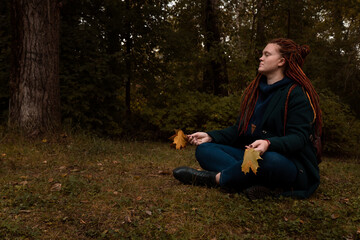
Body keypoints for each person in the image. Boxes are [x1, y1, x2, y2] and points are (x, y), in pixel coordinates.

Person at [173, 38, 322, 199]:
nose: (261, 58)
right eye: (262, 54)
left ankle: (214, 179)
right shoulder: (256, 92)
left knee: (269, 159)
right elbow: (239, 130)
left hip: (286, 162)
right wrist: (210, 136)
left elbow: (298, 139)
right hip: (251, 159)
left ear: (281, 61)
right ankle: (255, 183)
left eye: (266, 54)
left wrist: (268, 143)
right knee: (205, 150)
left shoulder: (296, 94)